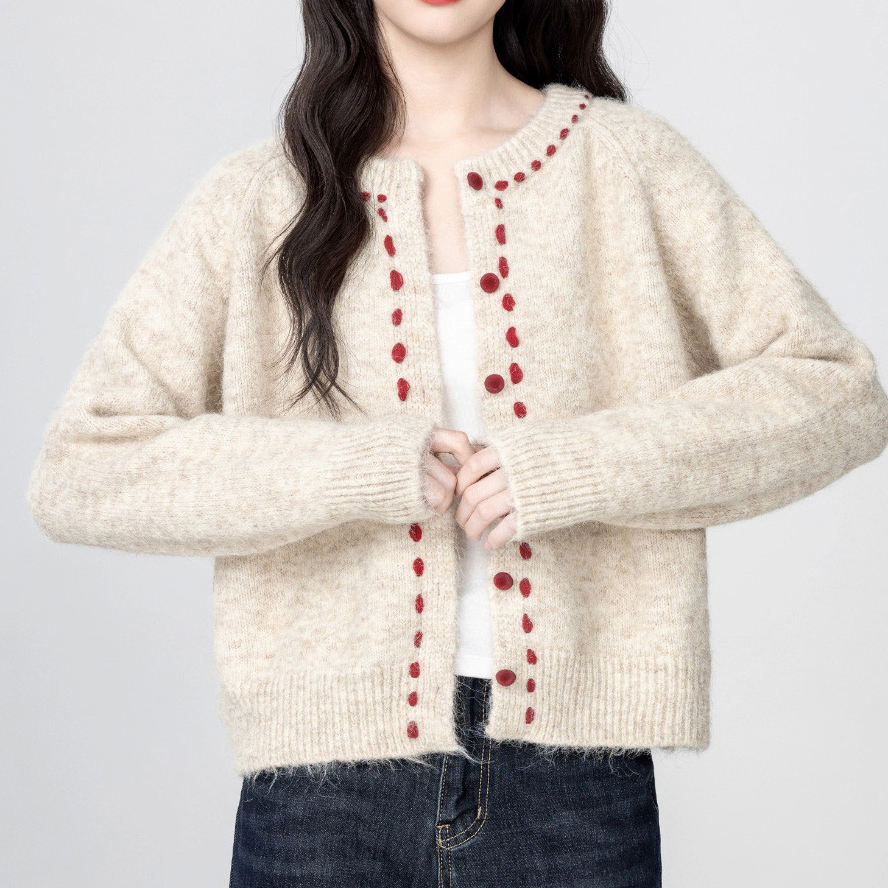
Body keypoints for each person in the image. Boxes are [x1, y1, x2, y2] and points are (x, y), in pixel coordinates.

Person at [26, 1, 888, 886]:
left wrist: (572, 467)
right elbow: (83, 467)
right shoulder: (258, 198)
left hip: (573, 785)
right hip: (321, 794)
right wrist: (357, 469)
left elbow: (836, 389)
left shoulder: (626, 162)